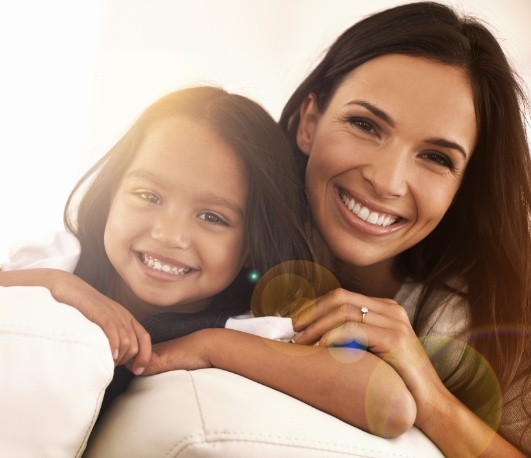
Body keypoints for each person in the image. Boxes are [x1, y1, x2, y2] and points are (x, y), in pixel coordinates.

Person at [140, 2, 531, 456]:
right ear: (310, 123)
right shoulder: (221, 232)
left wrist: (430, 394)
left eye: (437, 158)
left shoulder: (485, 313)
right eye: (365, 125)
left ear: (463, 187)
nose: (386, 181)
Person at [0, 86, 317, 414]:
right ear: (112, 193)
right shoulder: (64, 261)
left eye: (212, 217)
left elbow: (365, 396)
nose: (169, 235)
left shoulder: (245, 330)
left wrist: (213, 347)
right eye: (148, 196)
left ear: (253, 244)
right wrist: (55, 283)